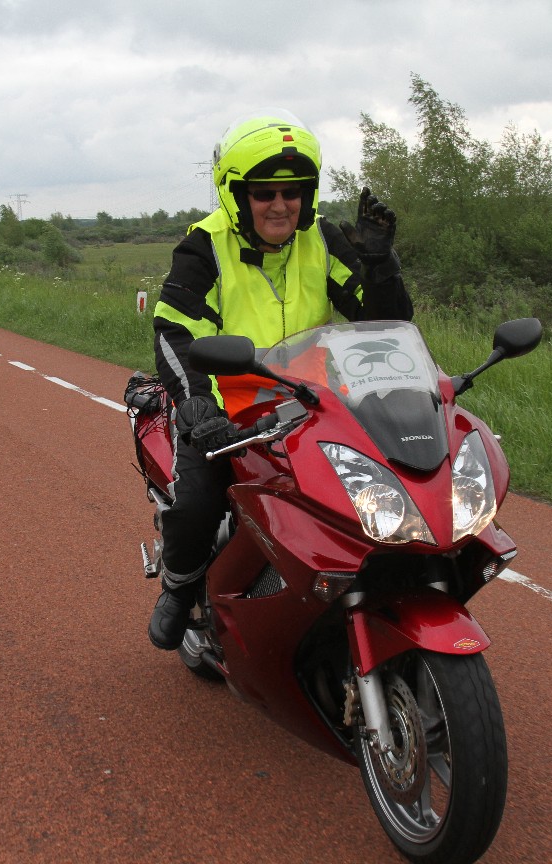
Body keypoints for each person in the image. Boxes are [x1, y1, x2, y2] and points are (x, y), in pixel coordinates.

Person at [148, 110, 414, 650]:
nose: (280, 205)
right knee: (196, 502)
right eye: (263, 193)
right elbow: (174, 332)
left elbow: (384, 323)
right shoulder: (205, 247)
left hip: (317, 404)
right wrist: (197, 407)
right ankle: (179, 587)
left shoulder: (322, 239)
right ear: (237, 195)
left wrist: (380, 264)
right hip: (229, 412)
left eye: (292, 192)